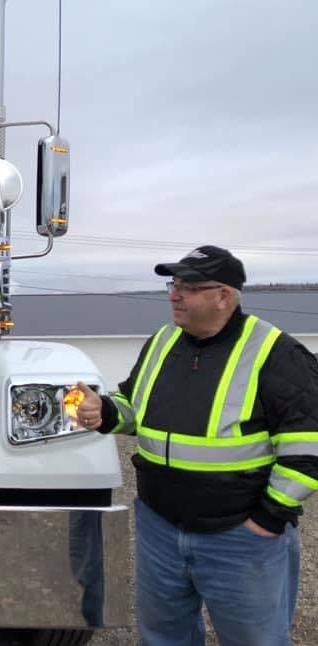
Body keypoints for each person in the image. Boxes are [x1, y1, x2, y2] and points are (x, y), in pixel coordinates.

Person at [73, 245, 318, 646]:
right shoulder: (164, 340)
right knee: (163, 637)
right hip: (160, 529)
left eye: (188, 287)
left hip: (239, 536)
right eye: (174, 284)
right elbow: (134, 406)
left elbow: (308, 448)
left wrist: (268, 519)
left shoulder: (277, 352)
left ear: (224, 296)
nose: (173, 294)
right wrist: (103, 410)